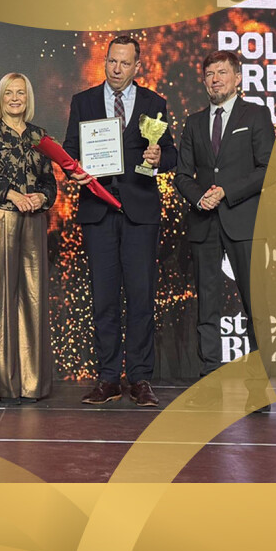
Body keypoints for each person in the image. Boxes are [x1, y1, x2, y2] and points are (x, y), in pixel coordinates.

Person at [63, 35, 177, 406]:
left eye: (125, 63)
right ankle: (109, 378)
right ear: (105, 60)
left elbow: (172, 156)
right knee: (104, 298)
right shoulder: (83, 101)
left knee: (141, 297)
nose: (116, 69)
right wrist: (73, 170)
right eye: (112, 61)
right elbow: (69, 151)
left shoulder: (154, 103)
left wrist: (158, 159)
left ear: (136, 66)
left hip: (140, 212)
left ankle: (140, 378)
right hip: (98, 211)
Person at [174, 50, 275, 411]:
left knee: (255, 307)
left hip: (244, 221)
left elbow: (268, 168)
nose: (215, 79)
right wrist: (200, 197)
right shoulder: (193, 123)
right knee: (207, 307)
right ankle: (209, 384)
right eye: (209, 74)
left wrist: (226, 192)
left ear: (237, 79)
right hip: (205, 222)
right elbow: (182, 175)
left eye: (222, 73)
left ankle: (258, 390)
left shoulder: (256, 115)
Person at [0, 73, 58, 404]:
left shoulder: (39, 136)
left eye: (21, 93)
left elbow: (50, 182)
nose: (15, 98)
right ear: (1, 98)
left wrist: (41, 198)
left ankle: (31, 383)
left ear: (28, 98)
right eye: (9, 93)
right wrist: (12, 194)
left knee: (32, 298)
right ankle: (0, 382)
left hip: (33, 221)